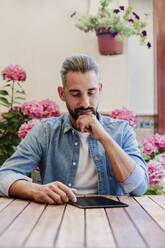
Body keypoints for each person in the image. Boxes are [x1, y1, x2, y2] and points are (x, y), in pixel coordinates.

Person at [0, 54, 148, 204]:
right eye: (75, 94)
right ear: (62, 94)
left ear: (100, 90)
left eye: (91, 92)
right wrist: (35, 190)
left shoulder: (122, 131)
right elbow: (4, 176)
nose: (85, 103)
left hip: (110, 219)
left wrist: (104, 137)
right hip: (57, 217)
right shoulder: (45, 131)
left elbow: (139, 187)